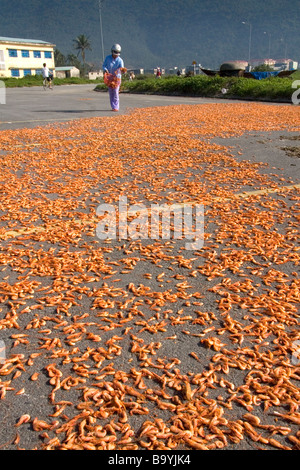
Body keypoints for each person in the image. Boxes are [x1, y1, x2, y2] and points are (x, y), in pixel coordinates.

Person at [102, 44, 125, 112]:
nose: (116, 55)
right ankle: (113, 106)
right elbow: (104, 66)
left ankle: (116, 107)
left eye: (117, 53)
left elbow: (121, 68)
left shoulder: (120, 60)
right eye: (115, 53)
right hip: (109, 78)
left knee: (115, 92)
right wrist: (105, 70)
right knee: (111, 92)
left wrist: (122, 70)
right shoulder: (107, 58)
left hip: (117, 78)